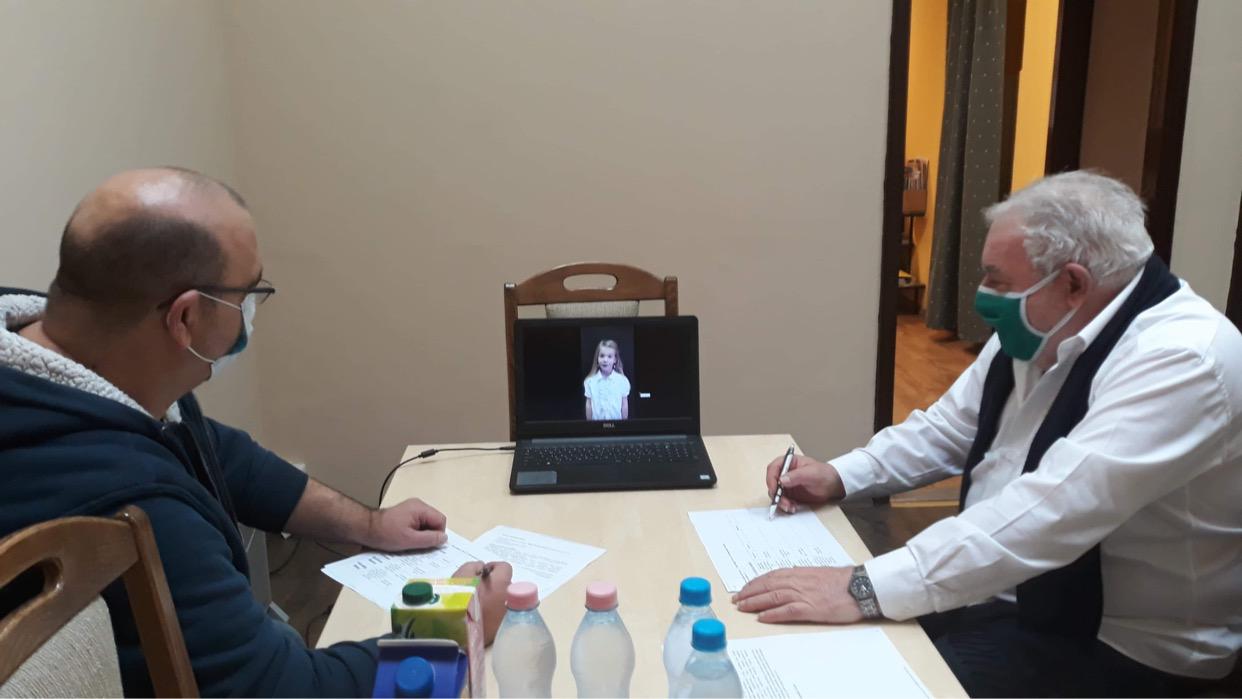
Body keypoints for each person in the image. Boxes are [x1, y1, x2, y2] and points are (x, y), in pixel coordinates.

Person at [0, 168, 512, 696]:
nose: (249, 312)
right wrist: (458, 625)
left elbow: (214, 452)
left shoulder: (70, 351)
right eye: (247, 293)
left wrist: (370, 524)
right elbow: (286, 690)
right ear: (185, 319)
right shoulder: (130, 501)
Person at [733, 171, 1242, 697]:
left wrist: (861, 588)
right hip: (1007, 590)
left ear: (1072, 284)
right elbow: (950, 427)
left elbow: (1053, 512)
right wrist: (840, 475)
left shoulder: (1186, 360)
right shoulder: (1047, 323)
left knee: (857, 684)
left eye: (998, 280)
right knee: (801, 649)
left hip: (1119, 644)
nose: (983, 296)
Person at [583, 339, 630, 420]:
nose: (605, 360)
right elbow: (589, 405)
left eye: (609, 356)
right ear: (597, 359)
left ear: (615, 360)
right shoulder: (590, 382)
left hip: (617, 425)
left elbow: (624, 405)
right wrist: (589, 424)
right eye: (602, 356)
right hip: (596, 425)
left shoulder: (623, 381)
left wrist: (624, 424)